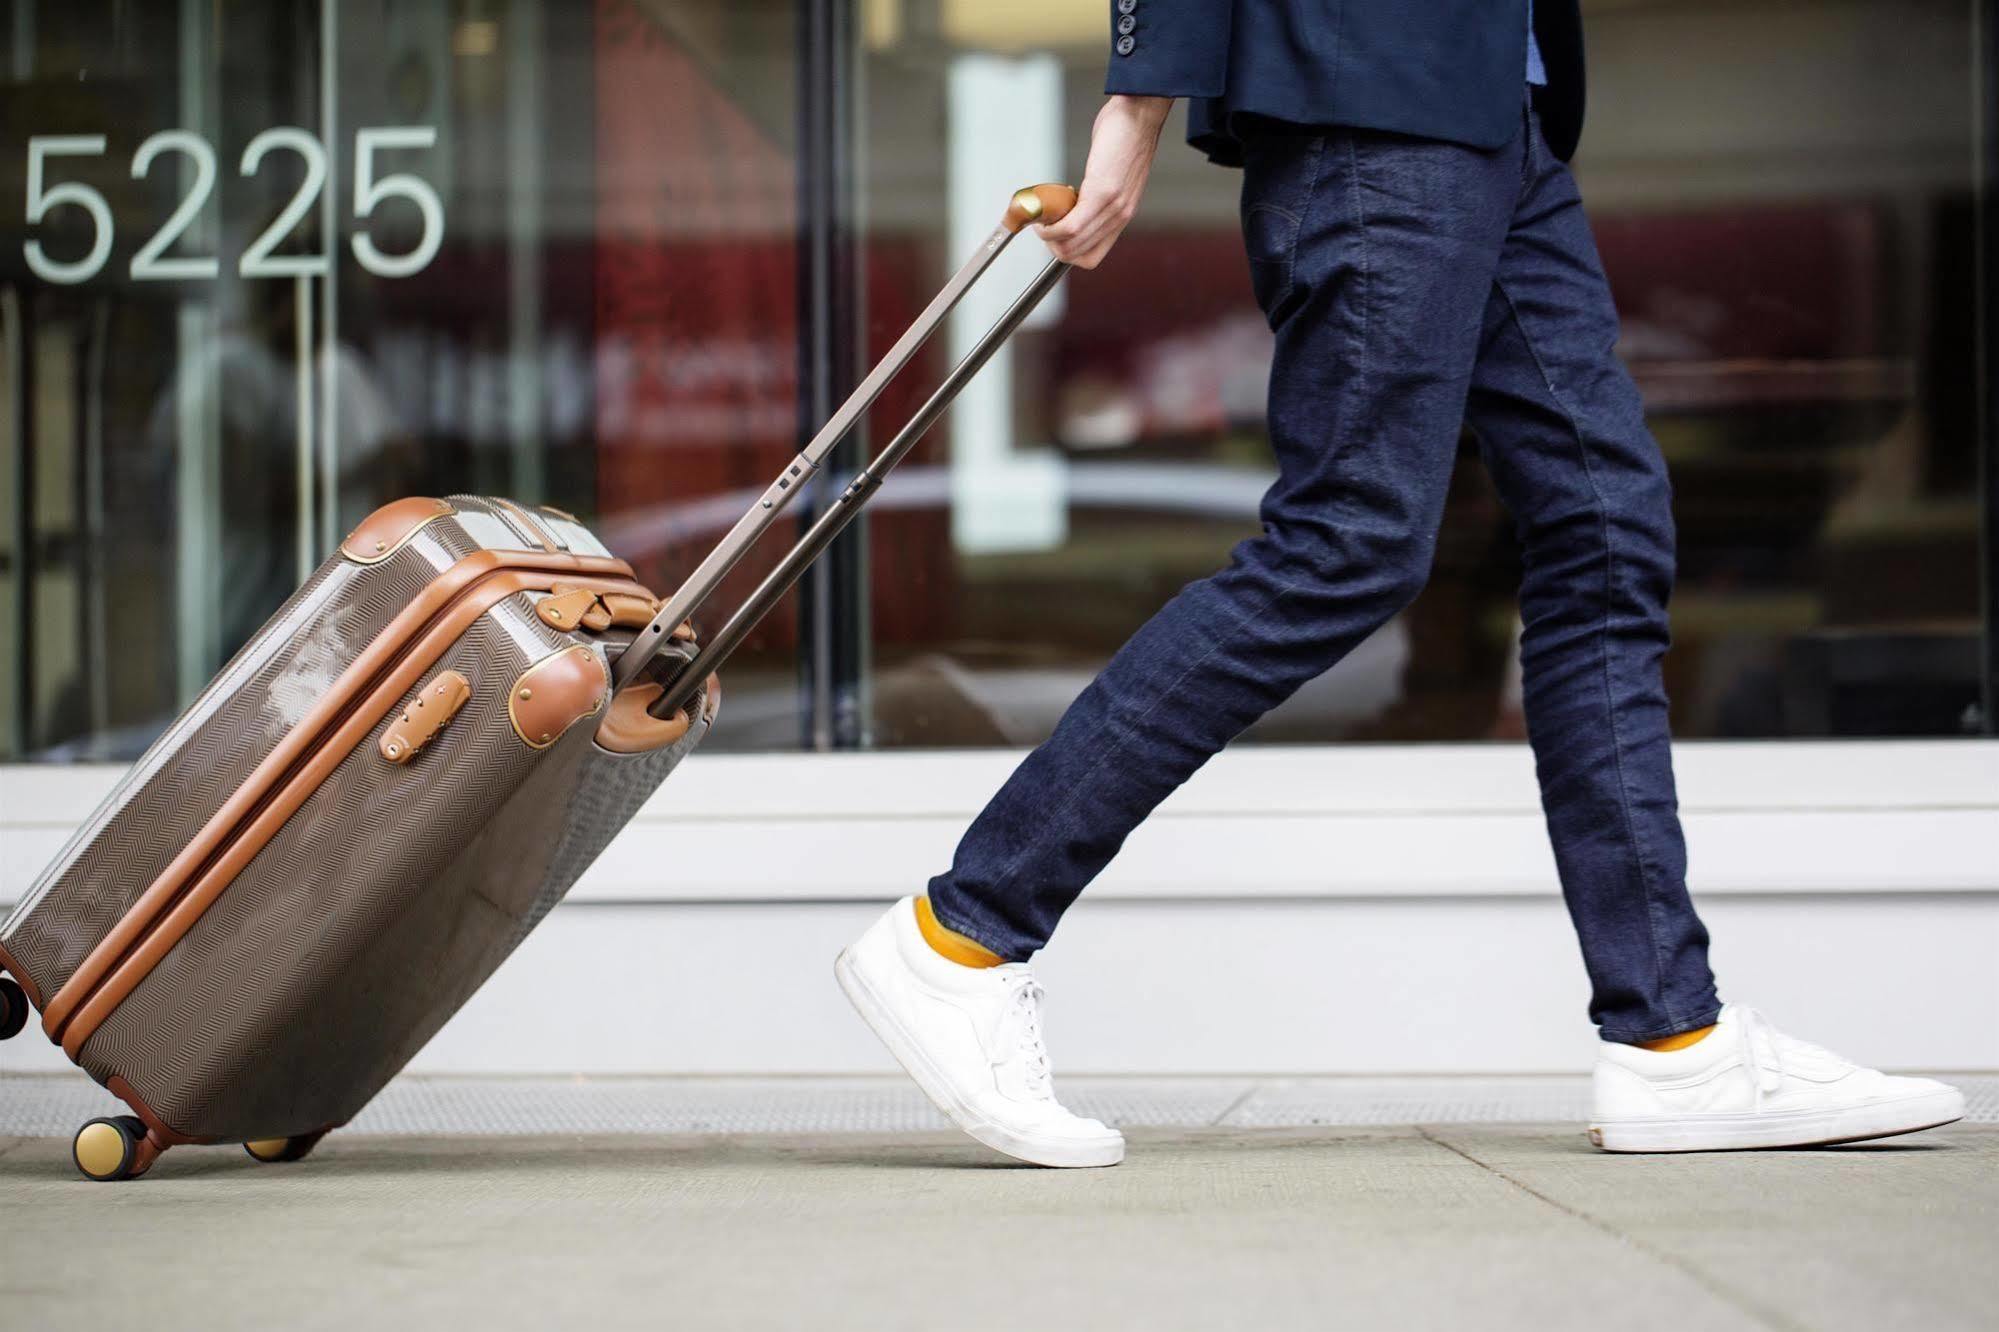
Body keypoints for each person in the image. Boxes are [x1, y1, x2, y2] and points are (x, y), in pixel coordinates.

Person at [834, 0, 1966, 1166]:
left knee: (1605, 536)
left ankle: (1672, 1045)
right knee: (1349, 540)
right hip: (1369, 106)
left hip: (1501, 111)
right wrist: (1136, 103)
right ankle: (960, 938)